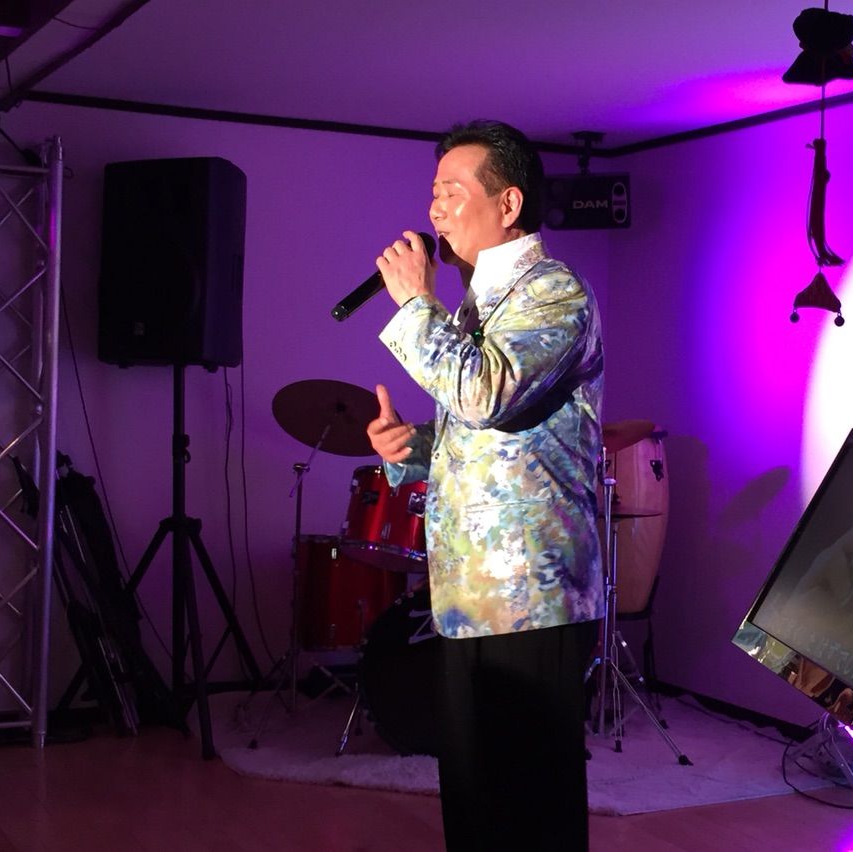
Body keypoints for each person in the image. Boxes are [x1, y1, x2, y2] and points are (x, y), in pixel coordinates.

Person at [365, 119, 605, 852]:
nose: (434, 208)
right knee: (475, 806)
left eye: (451, 191)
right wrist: (412, 447)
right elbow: (493, 433)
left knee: (531, 810)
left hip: (533, 596)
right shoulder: (477, 303)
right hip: (470, 596)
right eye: (433, 192)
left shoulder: (554, 291)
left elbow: (484, 393)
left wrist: (415, 305)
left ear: (508, 203)